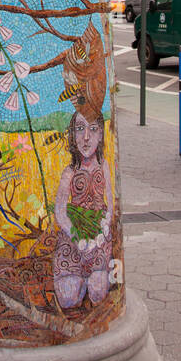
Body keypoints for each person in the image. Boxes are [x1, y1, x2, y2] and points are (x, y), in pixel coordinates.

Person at [52, 110, 117, 310]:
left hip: (98, 238)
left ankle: (95, 276)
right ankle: (76, 278)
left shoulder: (104, 166)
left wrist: (104, 228)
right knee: (68, 298)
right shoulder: (69, 172)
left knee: (98, 292)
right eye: (80, 129)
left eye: (93, 129)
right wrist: (77, 236)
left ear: (100, 134)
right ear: (73, 135)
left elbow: (110, 202)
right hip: (73, 242)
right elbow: (60, 212)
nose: (86, 137)